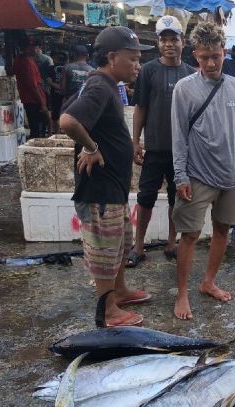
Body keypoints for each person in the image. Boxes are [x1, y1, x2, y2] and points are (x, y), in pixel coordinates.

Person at [58, 26, 153, 328]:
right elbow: (68, 121)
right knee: (104, 251)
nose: (138, 65)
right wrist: (91, 147)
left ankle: (121, 291)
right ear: (112, 57)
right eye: (133, 59)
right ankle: (108, 311)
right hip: (99, 190)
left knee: (120, 245)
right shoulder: (100, 86)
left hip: (113, 187)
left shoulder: (109, 84)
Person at [170, 21, 235, 320]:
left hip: (232, 176)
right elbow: (178, 135)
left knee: (223, 230)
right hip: (197, 175)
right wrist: (180, 175)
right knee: (190, 234)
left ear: (224, 53)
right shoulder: (184, 89)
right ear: (195, 55)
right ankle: (182, 294)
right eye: (204, 57)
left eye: (215, 56)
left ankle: (209, 282)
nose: (209, 63)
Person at [128, 15, 195, 267]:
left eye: (174, 39)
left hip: (182, 151)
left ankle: (171, 243)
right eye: (164, 40)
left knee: (177, 198)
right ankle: (138, 246)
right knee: (146, 197)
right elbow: (140, 108)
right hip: (154, 147)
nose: (169, 44)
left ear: (183, 42)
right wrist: (136, 141)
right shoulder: (148, 70)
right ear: (158, 44)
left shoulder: (190, 74)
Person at [12, 37, 49, 139]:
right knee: (36, 130)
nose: (38, 49)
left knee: (35, 127)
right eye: (36, 47)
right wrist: (42, 103)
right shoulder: (28, 62)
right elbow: (33, 85)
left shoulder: (19, 59)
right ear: (29, 48)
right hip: (34, 100)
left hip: (28, 99)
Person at [46, 51, 68, 133]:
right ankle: (62, 132)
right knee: (64, 113)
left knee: (55, 114)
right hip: (66, 95)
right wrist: (62, 88)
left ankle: (57, 132)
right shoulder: (68, 67)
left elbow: (48, 81)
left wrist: (56, 86)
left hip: (55, 94)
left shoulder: (50, 68)